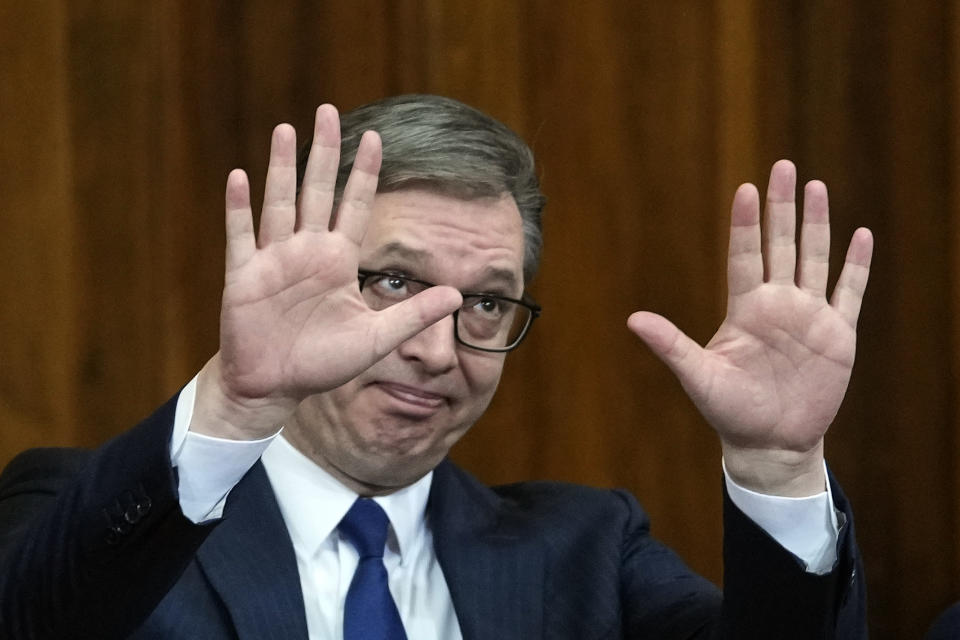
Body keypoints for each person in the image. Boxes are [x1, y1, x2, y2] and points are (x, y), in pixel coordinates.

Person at [0, 94, 870, 638]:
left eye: (486, 303)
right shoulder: (88, 509)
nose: (434, 348)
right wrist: (235, 401)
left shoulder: (587, 554)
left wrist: (778, 467)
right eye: (393, 283)